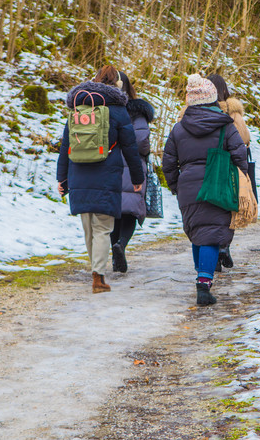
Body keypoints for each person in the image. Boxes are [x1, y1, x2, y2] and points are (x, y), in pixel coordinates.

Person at [57, 65, 143, 293]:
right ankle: (98, 276)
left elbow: (66, 145)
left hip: (78, 176)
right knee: (103, 229)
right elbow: (130, 147)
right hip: (107, 176)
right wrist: (137, 177)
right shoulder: (118, 109)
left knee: (88, 229)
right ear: (117, 85)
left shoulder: (78, 107)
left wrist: (62, 179)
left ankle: (96, 270)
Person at [163, 74, 248, 306]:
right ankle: (204, 283)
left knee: (198, 234)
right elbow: (240, 156)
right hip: (218, 184)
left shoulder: (179, 129)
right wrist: (240, 180)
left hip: (188, 187)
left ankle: (201, 275)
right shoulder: (225, 126)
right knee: (211, 235)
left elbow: (168, 162)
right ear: (212, 99)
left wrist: (175, 186)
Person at [110, 71, 155, 273]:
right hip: (133, 165)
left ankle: (114, 251)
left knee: (113, 211)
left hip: (109, 164)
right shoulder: (137, 112)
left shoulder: (104, 109)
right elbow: (141, 141)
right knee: (131, 209)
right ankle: (122, 244)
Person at [207, 74, 251, 271]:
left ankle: (213, 254)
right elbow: (244, 139)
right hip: (230, 168)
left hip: (207, 167)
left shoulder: (198, 111)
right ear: (225, 90)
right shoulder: (234, 113)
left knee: (209, 212)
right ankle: (224, 246)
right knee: (228, 211)